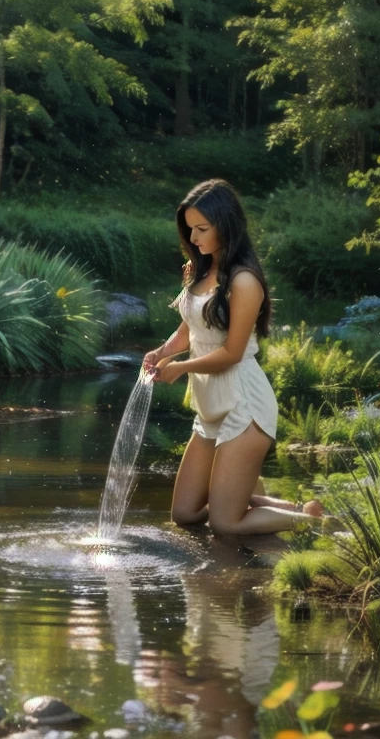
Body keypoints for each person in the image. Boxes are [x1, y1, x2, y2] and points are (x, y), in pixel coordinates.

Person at [142, 179, 323, 534]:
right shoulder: (199, 270)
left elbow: (231, 353)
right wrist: (162, 352)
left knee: (224, 523)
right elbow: (190, 327)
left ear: (226, 225)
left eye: (202, 229)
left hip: (244, 405)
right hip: (211, 406)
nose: (193, 238)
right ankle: (286, 505)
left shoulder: (244, 281)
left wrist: (179, 368)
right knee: (185, 514)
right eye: (190, 229)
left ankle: (316, 522)